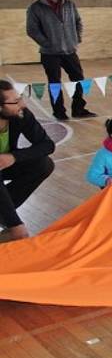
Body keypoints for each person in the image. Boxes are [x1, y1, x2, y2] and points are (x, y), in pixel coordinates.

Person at [25, 0, 97, 120]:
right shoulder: (36, 7)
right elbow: (32, 30)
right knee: (55, 83)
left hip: (70, 50)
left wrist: (76, 39)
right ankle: (59, 113)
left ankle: (79, 109)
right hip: (49, 53)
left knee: (78, 79)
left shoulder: (69, 4)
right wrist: (47, 43)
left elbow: (78, 22)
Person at [0, 80, 55, 241]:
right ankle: (11, 222)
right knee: (18, 231)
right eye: (15, 101)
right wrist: (16, 224)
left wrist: (14, 157)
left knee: (44, 164)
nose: (22, 104)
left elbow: (47, 145)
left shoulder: (20, 114)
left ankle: (5, 216)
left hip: (5, 163)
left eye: (20, 98)